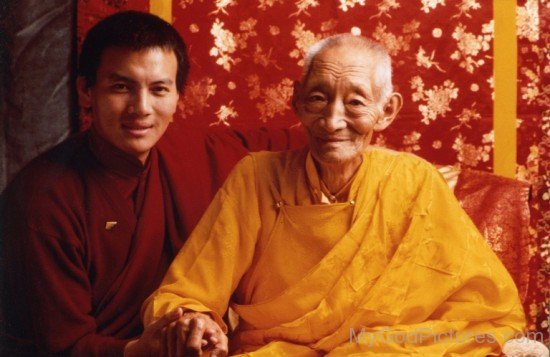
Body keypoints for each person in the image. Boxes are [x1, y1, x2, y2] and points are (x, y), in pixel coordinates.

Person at [142, 34, 526, 356]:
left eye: (356, 102)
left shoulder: (414, 182)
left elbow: (482, 308)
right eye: (318, 98)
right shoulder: (256, 176)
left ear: (387, 110)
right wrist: (193, 318)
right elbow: (188, 289)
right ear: (297, 100)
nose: (332, 121)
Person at [0, 11, 196, 356]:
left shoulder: (192, 154)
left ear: (178, 96)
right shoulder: (42, 200)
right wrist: (145, 349)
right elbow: (62, 346)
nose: (142, 108)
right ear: (86, 90)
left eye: (159, 89)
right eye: (121, 87)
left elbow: (283, 145)